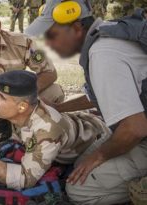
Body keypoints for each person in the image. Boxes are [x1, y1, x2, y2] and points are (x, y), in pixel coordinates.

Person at [25, 0, 147, 204]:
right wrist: (59, 108)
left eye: (52, 35)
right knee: (79, 165)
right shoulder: (107, 32)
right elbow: (99, 93)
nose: (47, 43)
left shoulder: (103, 54)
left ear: (76, 27)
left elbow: (135, 129)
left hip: (139, 132)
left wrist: (99, 156)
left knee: (79, 190)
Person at [0, 70, 109, 191]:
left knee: (75, 185)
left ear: (22, 107)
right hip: (78, 122)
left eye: (1, 97)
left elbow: (25, 180)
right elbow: (17, 138)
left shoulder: (46, 130)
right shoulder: (22, 111)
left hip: (97, 141)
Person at [0, 0, 64, 119]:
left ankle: (36, 128)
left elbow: (50, 73)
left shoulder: (22, 42)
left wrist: (21, 94)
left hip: (19, 105)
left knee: (54, 91)